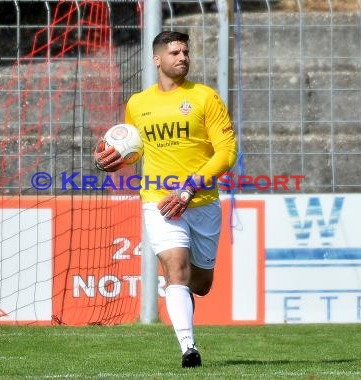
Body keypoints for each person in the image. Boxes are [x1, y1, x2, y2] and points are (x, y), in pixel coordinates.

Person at [94, 30, 237, 368]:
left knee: (200, 284)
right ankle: (189, 349)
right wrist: (106, 158)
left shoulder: (205, 98)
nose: (182, 57)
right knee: (176, 271)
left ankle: (188, 313)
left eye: (185, 52)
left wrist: (190, 187)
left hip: (201, 201)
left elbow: (227, 152)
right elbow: (128, 149)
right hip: (160, 201)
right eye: (174, 53)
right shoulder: (138, 104)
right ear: (157, 59)